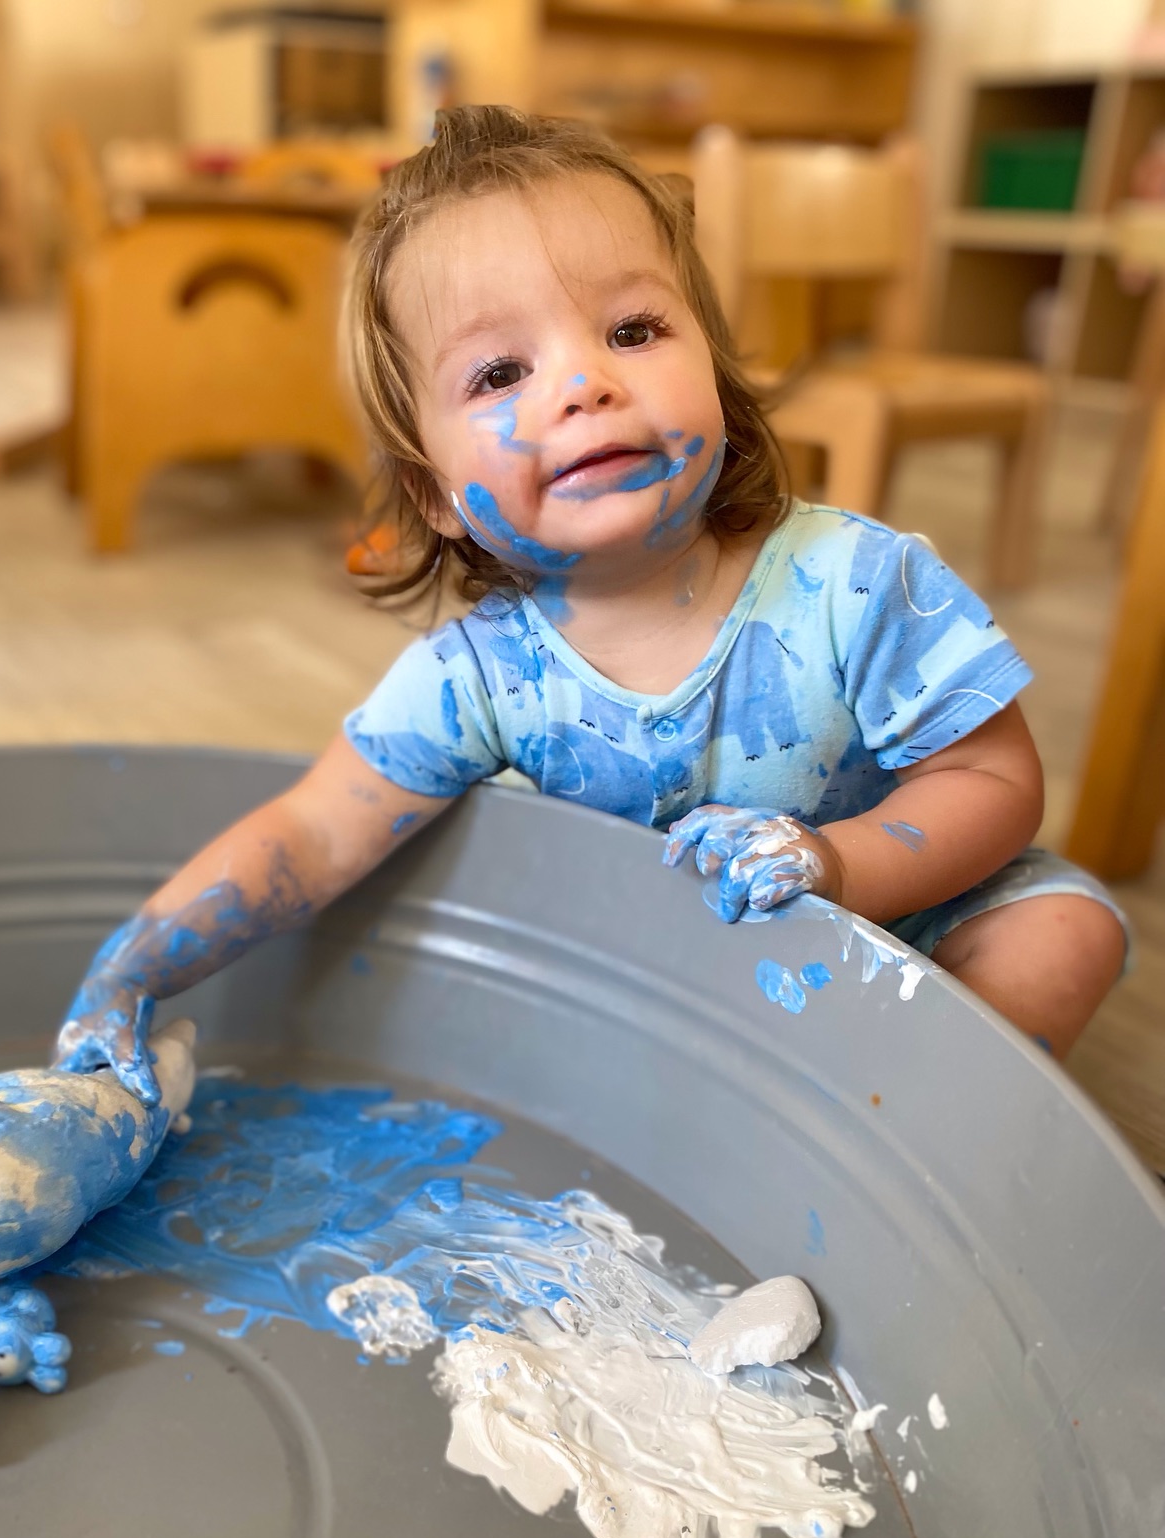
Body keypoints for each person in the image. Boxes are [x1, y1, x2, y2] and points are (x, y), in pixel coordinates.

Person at [55, 105, 1127, 1100]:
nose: (582, 385)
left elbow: (993, 780)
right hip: (702, 973)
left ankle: (931, 1136)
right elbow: (313, 834)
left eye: (631, 333)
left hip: (921, 914)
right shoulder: (479, 675)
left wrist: (842, 867)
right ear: (434, 495)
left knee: (1065, 936)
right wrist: (134, 968)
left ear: (716, 371)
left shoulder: (855, 581)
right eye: (498, 374)